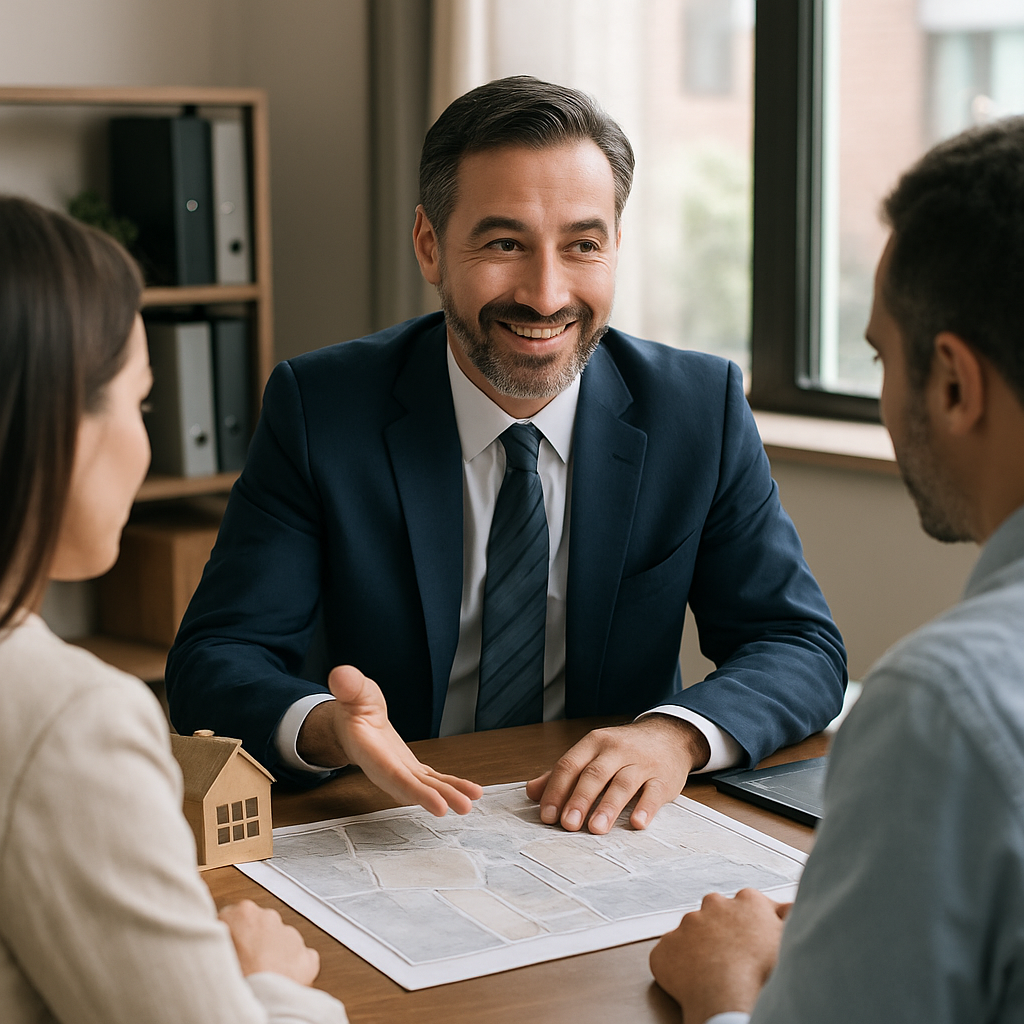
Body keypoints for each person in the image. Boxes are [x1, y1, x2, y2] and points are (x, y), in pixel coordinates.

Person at [166, 76, 847, 836]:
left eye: (582, 245)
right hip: (390, 817)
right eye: (504, 244)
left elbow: (798, 645)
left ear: (616, 247)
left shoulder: (698, 409)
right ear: (430, 245)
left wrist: (674, 736)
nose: (546, 295)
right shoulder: (320, 407)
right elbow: (216, 660)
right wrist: (331, 729)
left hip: (599, 827)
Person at [649, 116, 1024, 1023]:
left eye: (880, 359)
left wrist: (724, 985)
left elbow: (797, 642)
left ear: (953, 382)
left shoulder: (944, 706)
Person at [0, 196, 347, 1024]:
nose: (147, 446)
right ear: (58, 420)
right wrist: (265, 981)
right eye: (142, 404)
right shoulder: (68, 721)